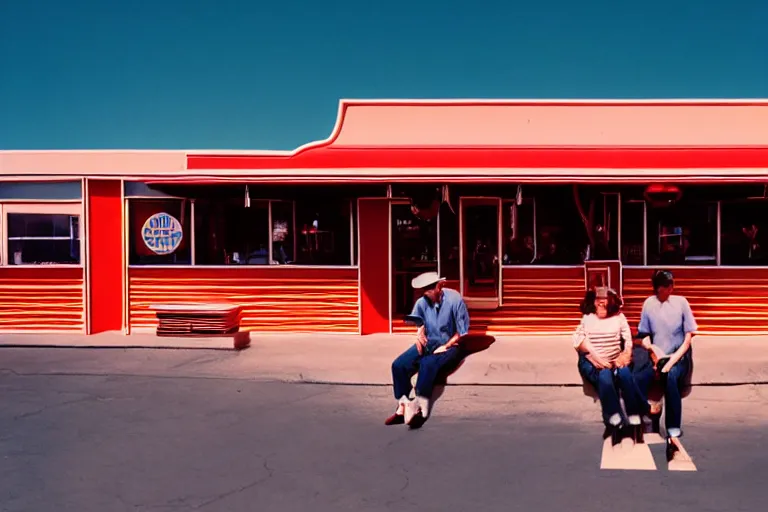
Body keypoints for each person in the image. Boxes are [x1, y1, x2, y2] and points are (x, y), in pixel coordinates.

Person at [385, 272, 470, 429]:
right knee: (399, 365)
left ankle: (421, 407)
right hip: (429, 342)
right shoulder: (421, 302)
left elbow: (462, 332)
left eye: (430, 288)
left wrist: (446, 346)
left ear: (439, 286)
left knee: (427, 363)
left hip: (451, 344)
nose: (427, 292)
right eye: (424, 289)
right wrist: (420, 332)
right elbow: (418, 320)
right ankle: (402, 406)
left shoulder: (454, 299)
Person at [633, 270, 698, 461]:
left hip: (678, 356)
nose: (671, 288)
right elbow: (643, 334)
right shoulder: (649, 304)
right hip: (657, 355)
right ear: (659, 288)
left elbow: (688, 339)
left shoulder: (681, 302)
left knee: (669, 378)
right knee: (636, 378)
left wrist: (670, 363)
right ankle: (645, 414)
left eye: (672, 285)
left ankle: (672, 430)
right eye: (667, 286)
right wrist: (652, 351)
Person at [574, 287, 645, 445]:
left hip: (616, 360)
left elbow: (628, 340)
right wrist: (595, 359)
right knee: (605, 377)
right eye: (597, 299)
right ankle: (615, 419)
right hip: (596, 364)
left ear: (611, 302)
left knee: (625, 375)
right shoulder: (587, 318)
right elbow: (578, 342)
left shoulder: (619, 317)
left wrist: (626, 354)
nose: (600, 302)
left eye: (604, 299)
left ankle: (634, 418)